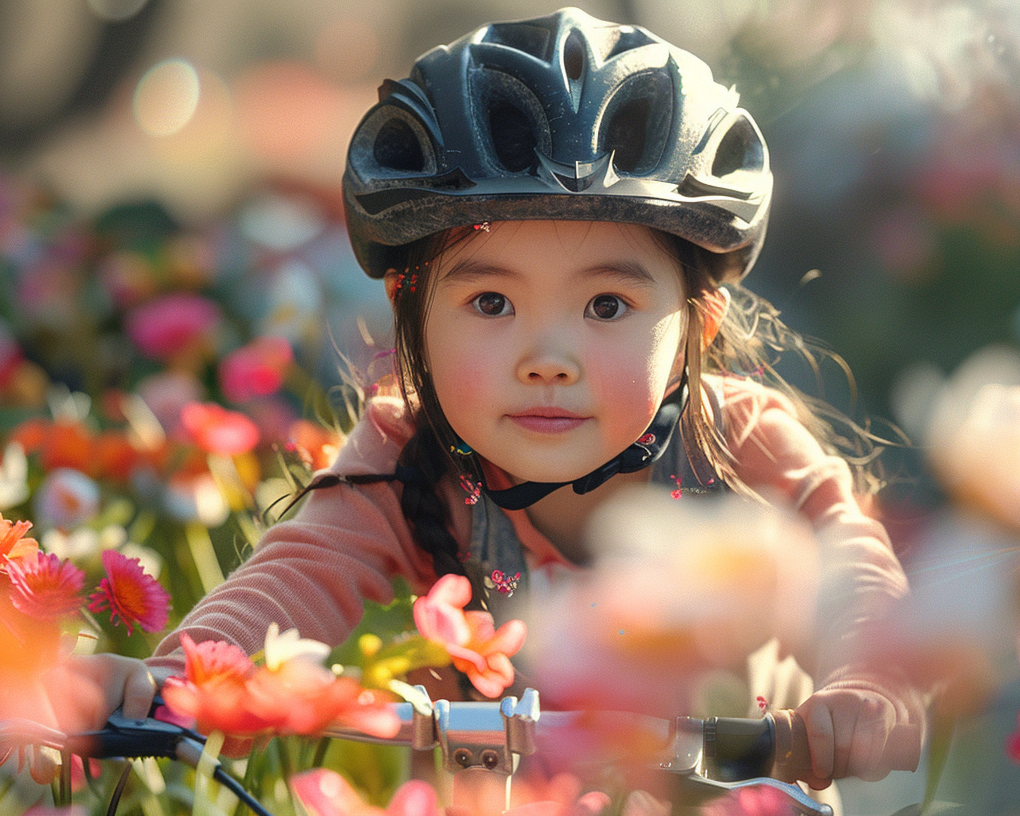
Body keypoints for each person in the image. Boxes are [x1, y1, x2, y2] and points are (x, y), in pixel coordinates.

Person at [84, 7, 925, 805]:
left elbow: (845, 551)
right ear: (412, 315)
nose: (547, 361)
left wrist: (866, 682)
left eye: (606, 307)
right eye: (491, 305)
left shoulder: (737, 443)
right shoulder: (407, 453)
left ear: (694, 325)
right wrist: (175, 680)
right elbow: (295, 577)